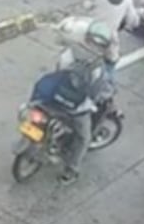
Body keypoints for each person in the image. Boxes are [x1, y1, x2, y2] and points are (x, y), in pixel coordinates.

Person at [30, 56, 108, 185]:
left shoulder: (69, 54)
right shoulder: (97, 70)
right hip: (72, 110)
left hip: (50, 102)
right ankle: (71, 170)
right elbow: (95, 93)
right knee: (83, 138)